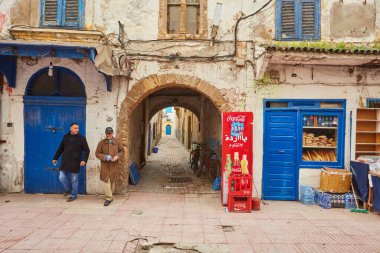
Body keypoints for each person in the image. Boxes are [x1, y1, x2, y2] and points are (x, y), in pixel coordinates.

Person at [52, 123, 90, 202]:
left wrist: (84, 160)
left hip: (75, 162)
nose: (77, 129)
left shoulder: (81, 138)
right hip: (65, 161)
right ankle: (67, 189)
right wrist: (55, 157)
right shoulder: (66, 137)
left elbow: (86, 150)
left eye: (78, 128)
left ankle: (74, 195)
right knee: (61, 177)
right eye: (75, 128)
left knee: (74, 179)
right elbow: (61, 148)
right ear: (71, 129)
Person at [95, 127, 124, 206]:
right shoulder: (101, 143)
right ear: (105, 133)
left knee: (112, 181)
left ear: (112, 133)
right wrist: (105, 157)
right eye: (107, 133)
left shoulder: (117, 142)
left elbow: (122, 152)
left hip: (114, 165)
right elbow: (97, 153)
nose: (108, 135)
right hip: (105, 165)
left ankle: (110, 195)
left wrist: (117, 156)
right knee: (105, 181)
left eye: (110, 133)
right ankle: (108, 198)